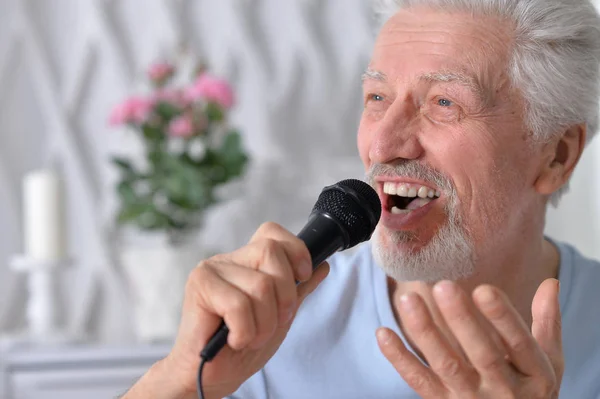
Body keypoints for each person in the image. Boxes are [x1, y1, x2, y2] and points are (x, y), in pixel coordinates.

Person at [124, 0, 600, 398]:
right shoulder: (269, 330)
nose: (384, 145)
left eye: (444, 103)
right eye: (377, 97)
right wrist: (180, 380)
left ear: (556, 156)